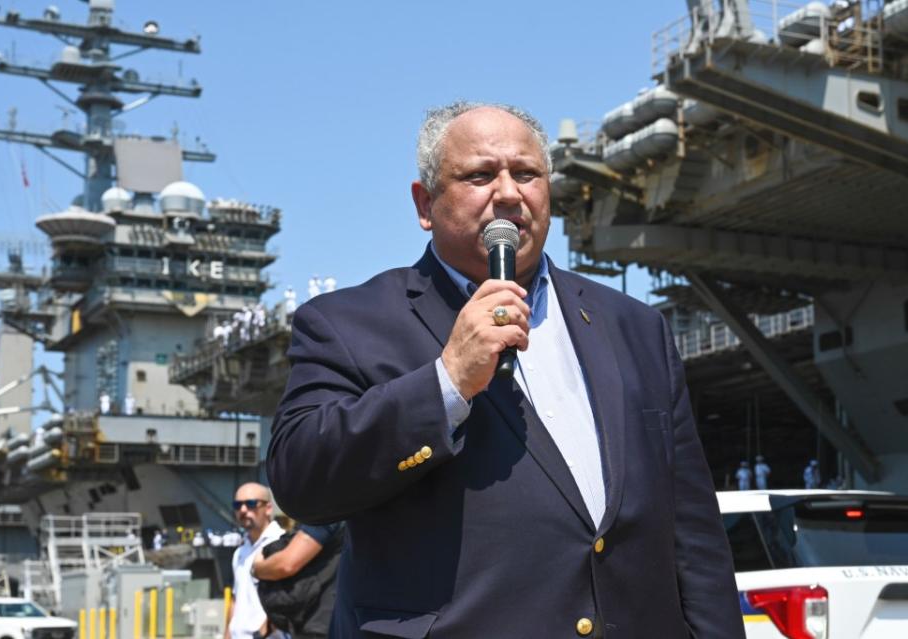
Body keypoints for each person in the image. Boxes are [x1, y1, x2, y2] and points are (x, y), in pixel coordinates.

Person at [268, 102, 744, 638]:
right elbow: (300, 480)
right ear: (425, 204)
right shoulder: (347, 324)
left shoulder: (635, 327)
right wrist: (446, 382)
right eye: (479, 175)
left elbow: (692, 530)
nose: (509, 193)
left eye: (526, 173)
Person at [253, 521, 344, 639]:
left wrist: (256, 568)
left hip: (319, 624)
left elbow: (286, 565)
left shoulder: (326, 514)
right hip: (312, 621)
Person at [225, 482, 283, 639]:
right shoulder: (240, 552)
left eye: (251, 504)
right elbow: (236, 599)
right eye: (238, 505)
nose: (243, 510)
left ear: (268, 508)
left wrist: (266, 630)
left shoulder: (281, 543)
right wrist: (227, 634)